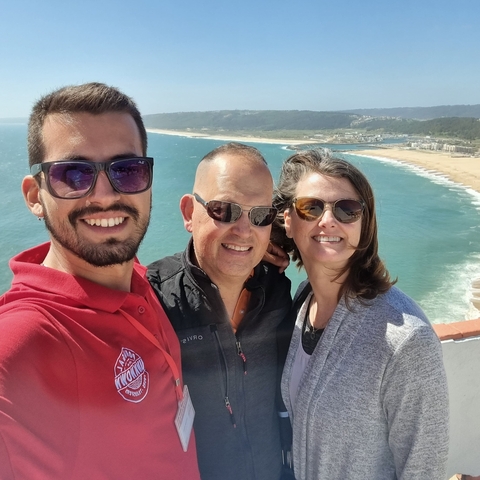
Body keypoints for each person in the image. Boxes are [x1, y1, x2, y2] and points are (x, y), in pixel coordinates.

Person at [0, 83, 200, 479]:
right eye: (73, 174)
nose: (106, 195)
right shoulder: (24, 341)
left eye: (127, 170)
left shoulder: (138, 280)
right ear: (34, 195)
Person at [271, 149, 449, 480]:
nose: (329, 220)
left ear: (363, 225)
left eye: (347, 209)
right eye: (311, 207)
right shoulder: (301, 303)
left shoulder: (406, 341)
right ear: (288, 220)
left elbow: (423, 469)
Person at [147, 142, 293, 480]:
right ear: (188, 212)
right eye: (224, 210)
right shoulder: (153, 300)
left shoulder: (277, 292)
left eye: (259, 215)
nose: (243, 230)